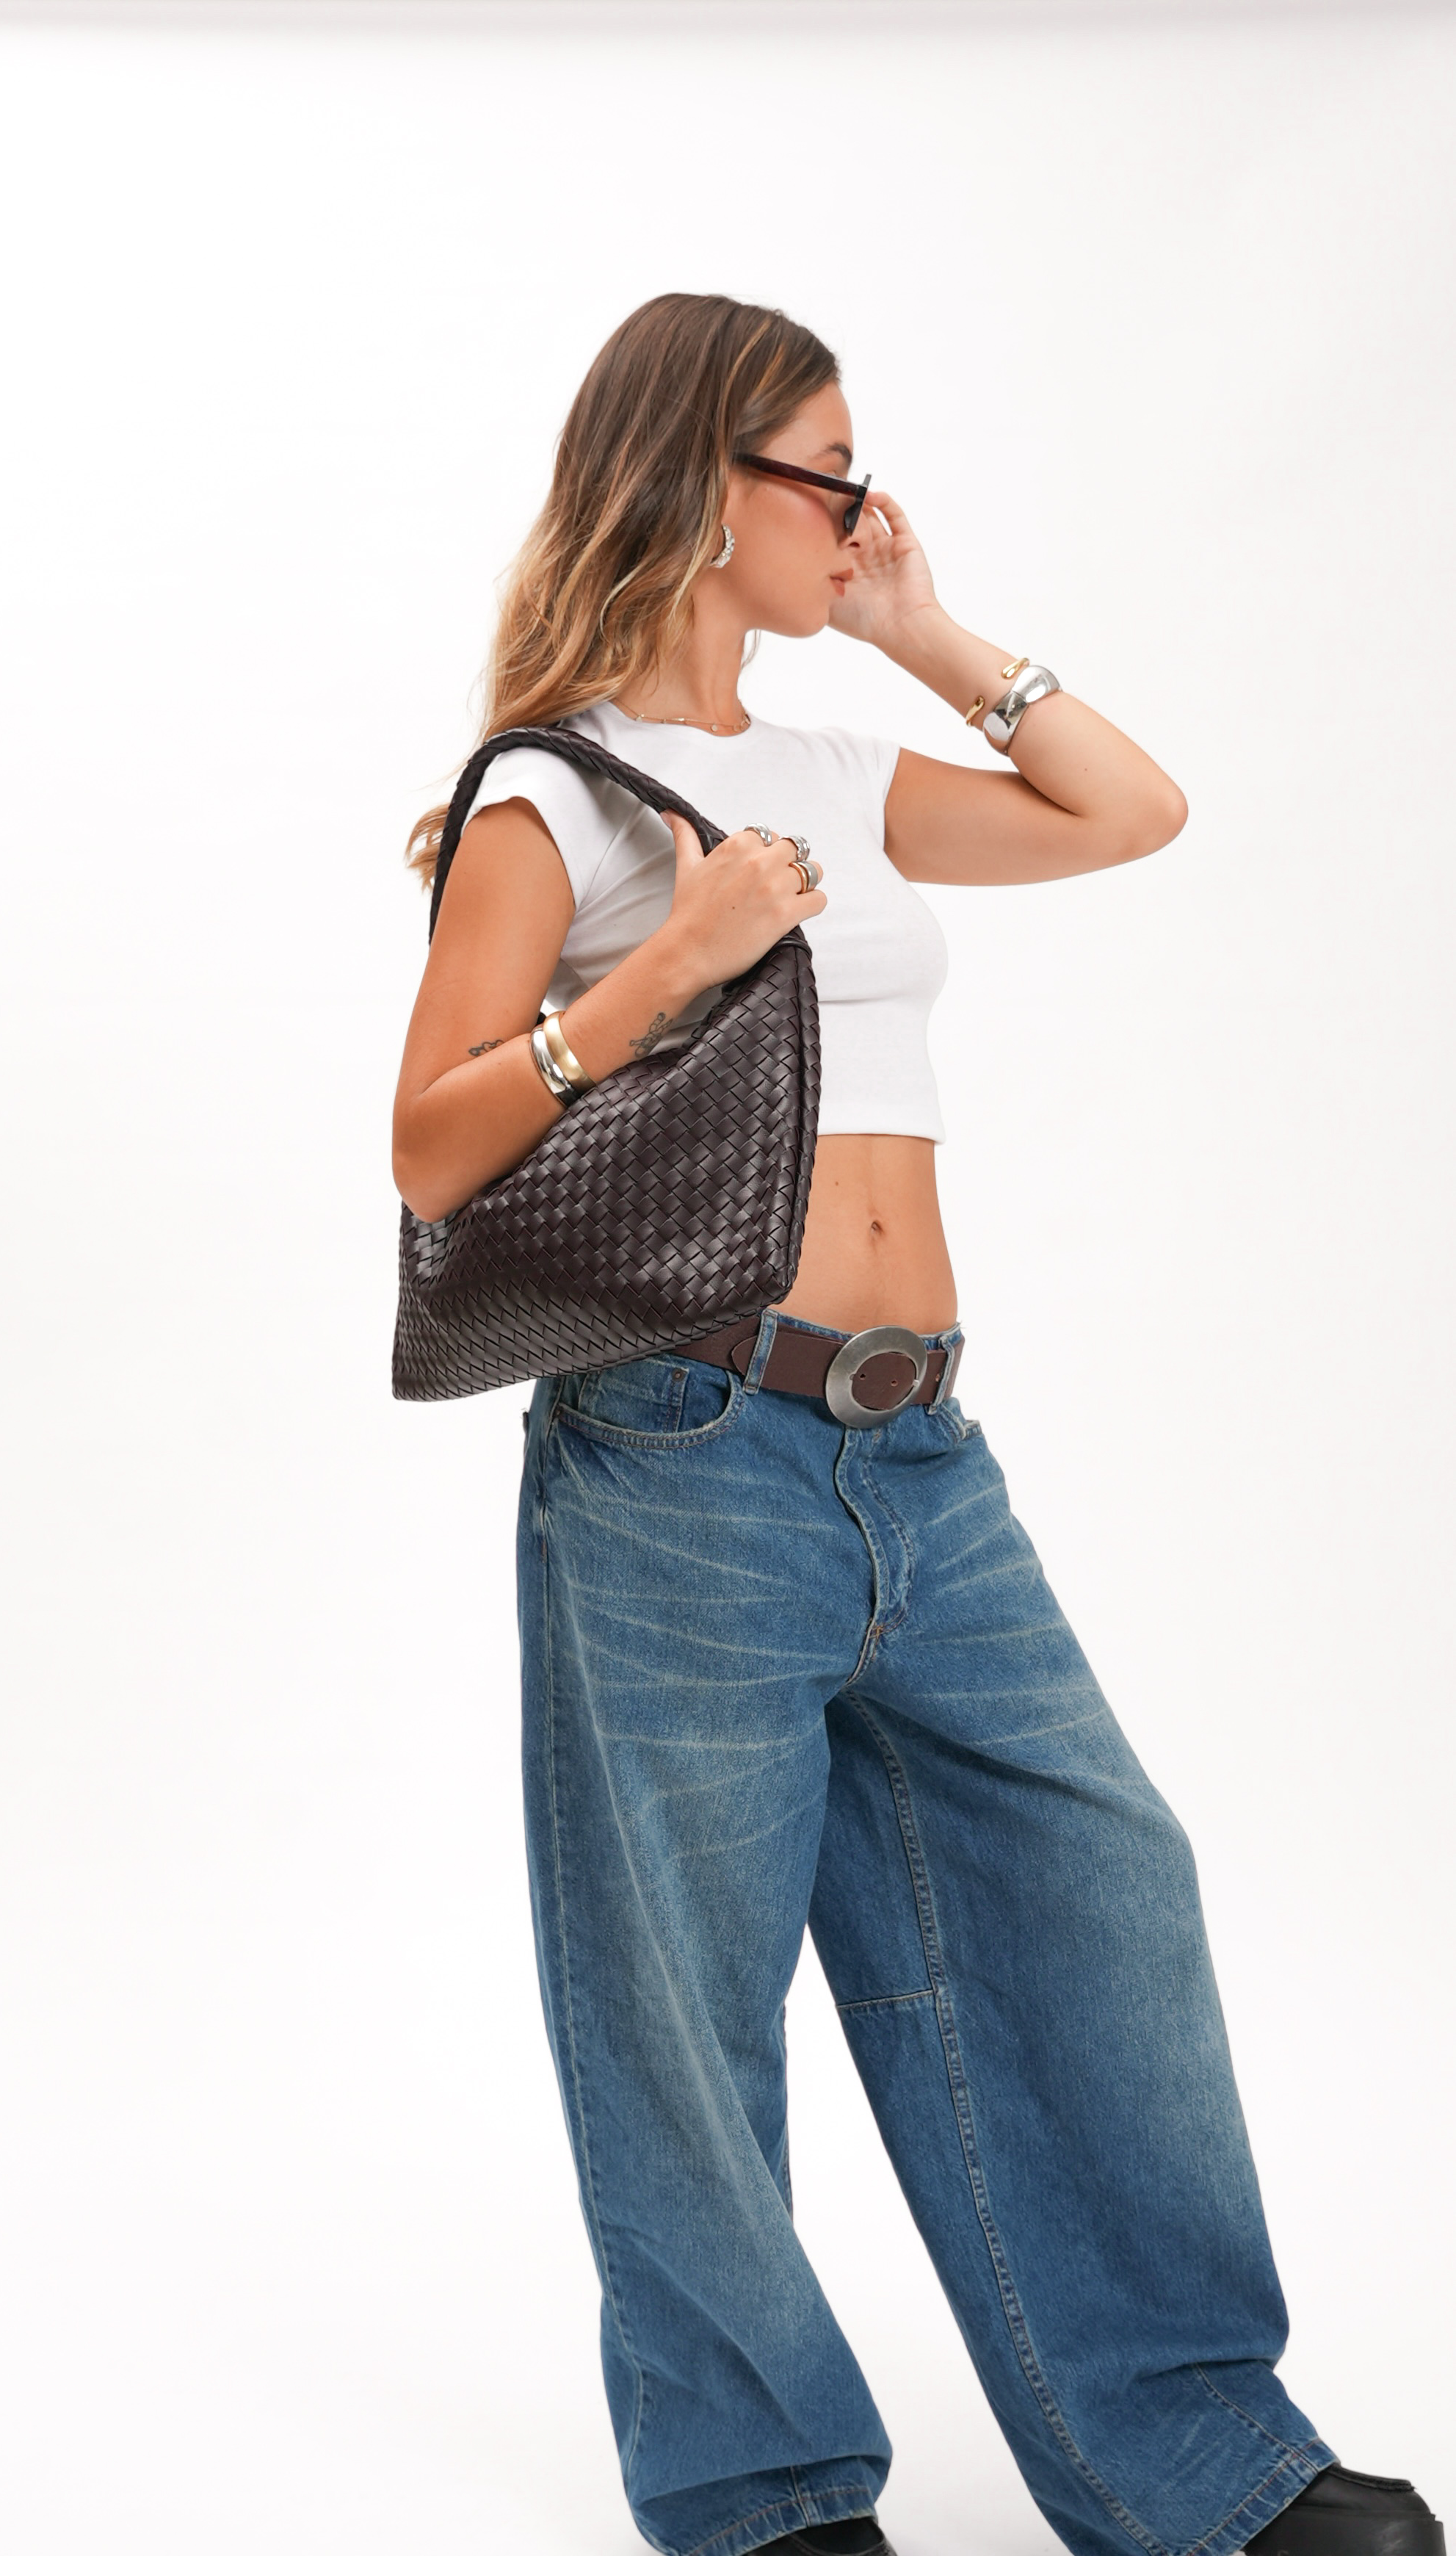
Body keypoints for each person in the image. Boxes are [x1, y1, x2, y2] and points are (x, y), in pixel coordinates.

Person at [391, 294, 1441, 2556]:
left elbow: (1127, 811)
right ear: (708, 488)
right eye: (829, 474)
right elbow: (427, 1143)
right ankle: (760, 2492)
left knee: (1094, 1879)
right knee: (682, 1993)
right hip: (682, 1447)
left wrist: (918, 627)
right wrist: (661, 970)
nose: (863, 508)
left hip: (920, 1459)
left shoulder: (835, 773)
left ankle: (1198, 2469)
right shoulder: (550, 793)